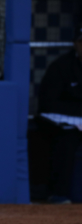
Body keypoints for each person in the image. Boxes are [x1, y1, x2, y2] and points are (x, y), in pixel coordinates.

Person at [36, 26, 82, 204]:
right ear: (75, 44)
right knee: (67, 138)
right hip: (60, 121)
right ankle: (59, 194)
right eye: (81, 42)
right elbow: (47, 103)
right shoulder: (61, 66)